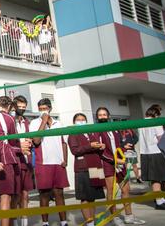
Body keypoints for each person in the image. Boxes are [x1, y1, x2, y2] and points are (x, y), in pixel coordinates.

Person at [96, 107, 145, 225]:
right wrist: (115, 160)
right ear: (97, 117)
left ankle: (129, 216)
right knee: (111, 191)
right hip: (108, 164)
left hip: (120, 163)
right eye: (100, 115)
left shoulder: (115, 129)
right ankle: (114, 217)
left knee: (126, 189)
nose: (102, 116)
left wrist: (125, 148)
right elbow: (100, 151)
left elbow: (118, 145)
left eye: (104, 114)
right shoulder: (97, 130)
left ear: (108, 116)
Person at [30, 98, 69, 226]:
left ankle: (63, 222)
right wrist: (44, 121)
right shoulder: (34, 123)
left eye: (45, 109)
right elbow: (36, 140)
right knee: (44, 194)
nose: (42, 111)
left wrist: (65, 159)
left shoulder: (59, 123)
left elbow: (64, 142)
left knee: (59, 193)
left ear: (50, 109)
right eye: (40, 109)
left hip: (58, 163)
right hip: (43, 163)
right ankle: (45, 223)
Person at [68, 113, 106, 226]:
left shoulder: (91, 132)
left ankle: (92, 222)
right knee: (84, 197)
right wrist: (90, 146)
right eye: (78, 120)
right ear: (74, 122)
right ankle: (89, 223)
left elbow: (96, 147)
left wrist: (100, 146)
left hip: (95, 167)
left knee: (93, 197)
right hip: (82, 168)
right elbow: (75, 150)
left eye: (83, 119)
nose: (81, 121)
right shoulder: (73, 133)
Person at [0, 96, 20, 226]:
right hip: (4, 159)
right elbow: (13, 141)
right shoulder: (8, 118)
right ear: (8, 107)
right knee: (6, 196)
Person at [138, 106, 165, 210]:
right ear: (156, 115)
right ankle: (159, 201)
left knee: (156, 179)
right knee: (158, 179)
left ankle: (161, 199)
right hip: (156, 152)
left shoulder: (140, 123)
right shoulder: (156, 122)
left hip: (145, 153)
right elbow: (161, 139)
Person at [13, 96, 34, 226]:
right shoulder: (10, 121)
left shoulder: (27, 122)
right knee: (16, 195)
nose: (21, 109)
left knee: (25, 194)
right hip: (15, 160)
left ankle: (24, 222)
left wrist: (29, 140)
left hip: (26, 160)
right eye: (19, 107)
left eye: (23, 107)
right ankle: (14, 222)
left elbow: (30, 138)